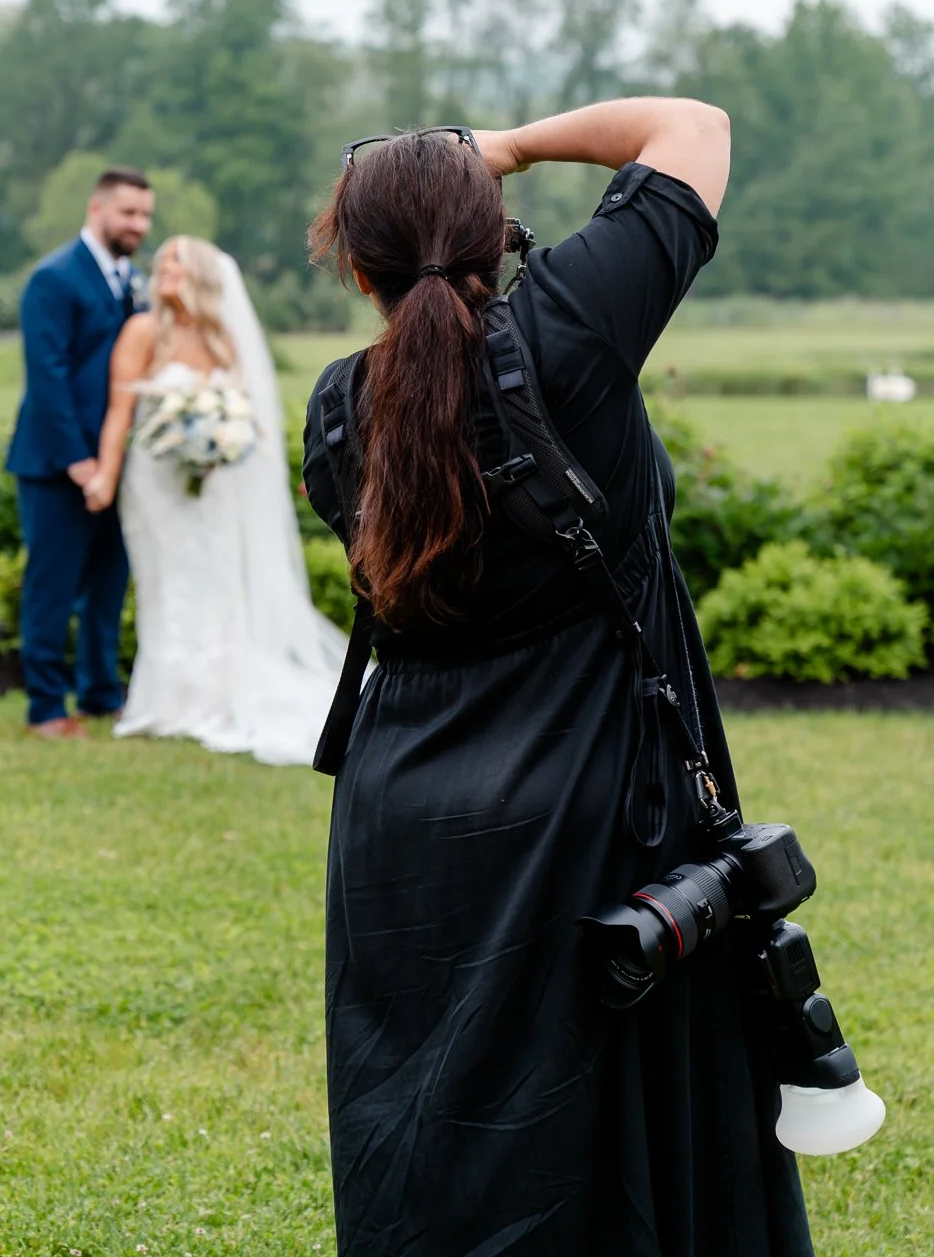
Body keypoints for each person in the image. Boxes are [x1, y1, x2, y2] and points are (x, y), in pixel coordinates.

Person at [302, 105, 815, 1256]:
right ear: (499, 238)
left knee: (422, 1130)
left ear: (356, 263)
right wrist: (503, 148)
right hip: (589, 802)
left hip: (401, 824)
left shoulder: (334, 412)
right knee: (608, 1135)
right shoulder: (568, 334)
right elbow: (694, 125)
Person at [84, 235, 348, 764]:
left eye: (174, 264)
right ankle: (168, 697)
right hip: (154, 484)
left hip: (216, 483)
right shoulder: (142, 332)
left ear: (202, 274)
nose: (163, 271)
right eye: (160, 264)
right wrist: (104, 477)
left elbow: (249, 413)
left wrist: (224, 441)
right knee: (166, 582)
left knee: (216, 578)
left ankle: (215, 691)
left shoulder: (226, 337)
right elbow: (119, 412)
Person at [7, 167, 154, 738]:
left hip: (119, 463)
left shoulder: (132, 280)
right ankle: (45, 707)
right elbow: (48, 377)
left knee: (108, 586)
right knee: (53, 585)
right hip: (56, 465)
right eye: (128, 213)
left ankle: (98, 693)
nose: (138, 225)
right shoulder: (54, 277)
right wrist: (80, 461)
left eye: (144, 215)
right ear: (97, 210)